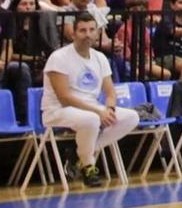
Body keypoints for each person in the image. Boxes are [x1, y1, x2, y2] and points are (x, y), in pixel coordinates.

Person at [43, 14, 138, 187]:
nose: (87, 34)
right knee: (92, 119)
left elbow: (110, 91)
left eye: (92, 30)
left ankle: (80, 154)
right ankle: (88, 167)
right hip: (57, 110)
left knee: (132, 117)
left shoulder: (100, 58)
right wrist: (98, 111)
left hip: (92, 108)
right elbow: (64, 97)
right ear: (74, 34)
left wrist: (109, 108)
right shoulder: (59, 57)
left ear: (97, 33)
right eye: (82, 30)